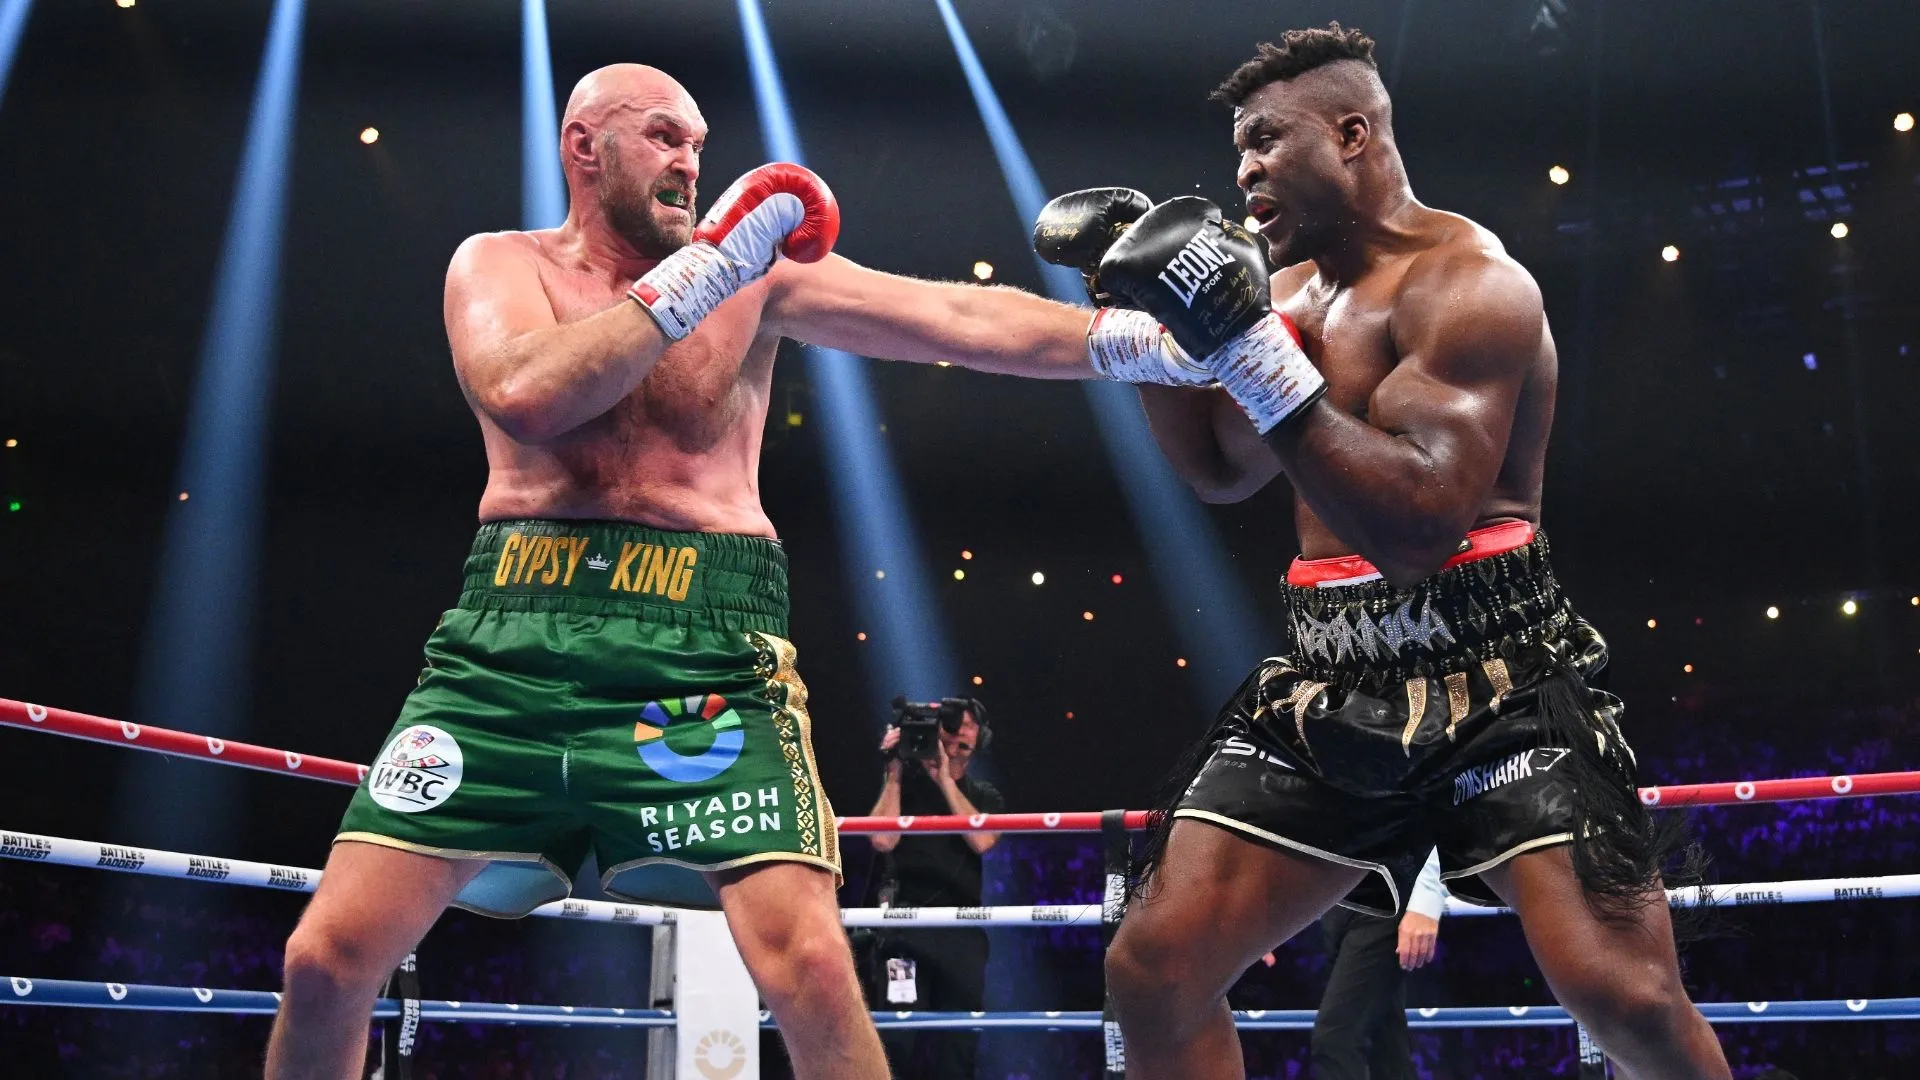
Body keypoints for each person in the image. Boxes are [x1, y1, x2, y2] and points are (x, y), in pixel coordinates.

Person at [262, 63, 1210, 1080]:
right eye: (664, 136)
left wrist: (1163, 345)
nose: (690, 162)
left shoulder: (758, 276)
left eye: (699, 145)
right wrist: (705, 271)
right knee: (325, 958)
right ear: (586, 147)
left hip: (705, 640)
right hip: (508, 645)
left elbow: (963, 323)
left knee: (809, 963)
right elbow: (525, 392)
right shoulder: (499, 265)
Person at [1030, 24, 1731, 1080]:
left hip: (1500, 677)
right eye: (1236, 148)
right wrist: (1157, 327)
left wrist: (1252, 353)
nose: (1244, 170)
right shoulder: (1285, 297)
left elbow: (1419, 525)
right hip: (1330, 679)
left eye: (1267, 140)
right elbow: (1223, 468)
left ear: (1353, 134)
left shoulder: (1472, 284)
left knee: (1623, 996)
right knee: (1154, 967)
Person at [865, 701, 1002, 1079]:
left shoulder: (984, 794)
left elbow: (983, 840)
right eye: (952, 725)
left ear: (981, 737)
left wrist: (944, 778)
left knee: (959, 1045)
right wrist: (893, 773)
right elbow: (881, 839)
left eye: (969, 725)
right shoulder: (902, 788)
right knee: (898, 1038)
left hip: (961, 932)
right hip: (904, 931)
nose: (960, 731)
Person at [1310, 850, 1443, 1080]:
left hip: (1389, 897)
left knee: (1336, 1039)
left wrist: (1426, 898)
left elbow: (1440, 817)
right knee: (1386, 1048)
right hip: (1336, 897)